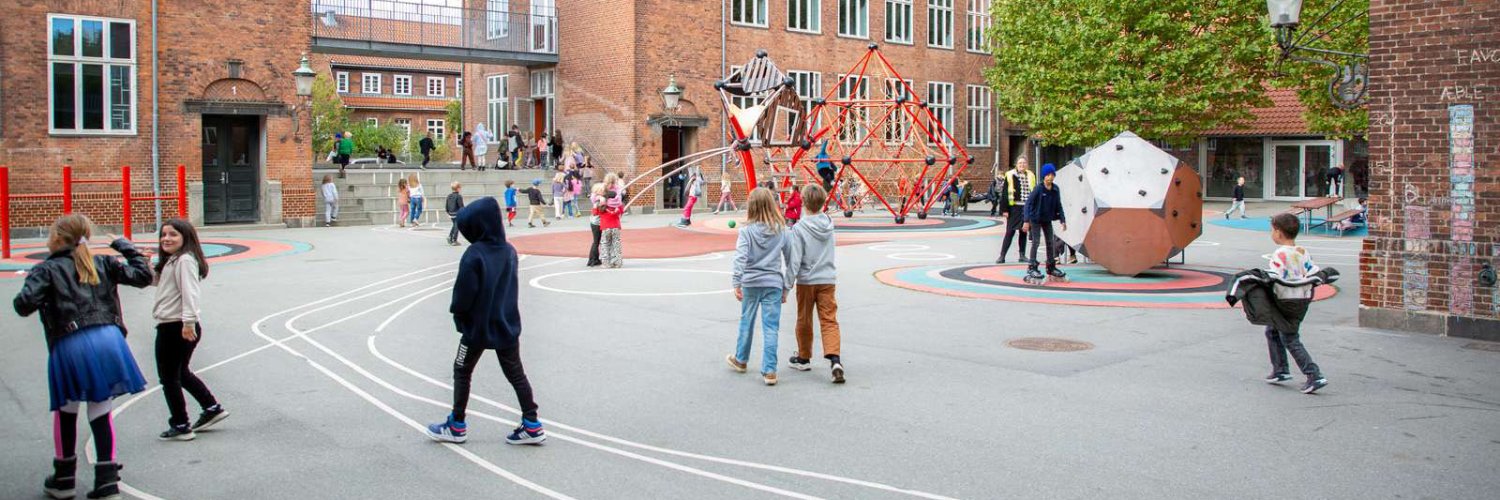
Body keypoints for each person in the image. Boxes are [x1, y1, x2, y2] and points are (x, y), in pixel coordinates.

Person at [12, 214, 152, 500]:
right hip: (109, 338)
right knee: (101, 407)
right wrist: (125, 246)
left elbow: (23, 305)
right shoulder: (103, 263)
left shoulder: (47, 269)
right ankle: (107, 479)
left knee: (67, 408)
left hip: (71, 340)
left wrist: (34, 286)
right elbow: (143, 276)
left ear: (56, 238)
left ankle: (64, 478)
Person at [426, 197, 546, 445]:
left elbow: (463, 295)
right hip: (506, 323)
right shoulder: (509, 251)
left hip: (477, 328)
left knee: (462, 370)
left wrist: (459, 317)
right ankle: (532, 421)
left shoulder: (474, 255)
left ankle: (457, 423)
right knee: (516, 374)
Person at [152, 219, 229, 441]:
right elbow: (156, 281)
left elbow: (190, 292)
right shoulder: (173, 260)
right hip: (175, 324)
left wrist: (188, 322)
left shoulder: (184, 260)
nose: (166, 238)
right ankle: (212, 407)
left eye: (173, 234)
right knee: (180, 372)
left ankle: (180, 423)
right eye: (163, 234)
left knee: (169, 377)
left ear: (186, 238)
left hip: (176, 325)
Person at [726, 187, 793, 386]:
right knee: (771, 327)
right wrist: (787, 286)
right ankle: (770, 370)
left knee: (746, 322)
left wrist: (736, 281)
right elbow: (791, 259)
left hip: (751, 282)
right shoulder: (782, 230)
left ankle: (741, 359)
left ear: (751, 206)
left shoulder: (746, 231)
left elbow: (740, 257)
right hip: (773, 282)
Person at [1262, 213, 1329, 394]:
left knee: (1289, 337)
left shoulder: (1279, 255)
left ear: (1278, 232)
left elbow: (1275, 277)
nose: (1271, 234)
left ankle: (1314, 374)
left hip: (1284, 301)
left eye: (1272, 230)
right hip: (1302, 298)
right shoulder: (1302, 252)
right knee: (1272, 330)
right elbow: (1313, 271)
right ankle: (1280, 369)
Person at [785, 184, 845, 384]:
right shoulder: (829, 223)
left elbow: (794, 260)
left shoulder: (799, 228)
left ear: (803, 202)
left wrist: (787, 285)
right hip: (827, 278)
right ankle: (835, 359)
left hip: (807, 280)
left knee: (804, 319)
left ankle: (803, 357)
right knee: (829, 319)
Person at [1023, 163, 1067, 283]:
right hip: (1035, 218)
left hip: (1047, 218)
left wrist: (1063, 219)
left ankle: (1051, 266)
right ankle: (1032, 266)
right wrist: (1026, 221)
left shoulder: (1055, 189)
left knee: (1050, 243)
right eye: (1048, 175)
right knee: (1036, 242)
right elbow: (1028, 204)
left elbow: (1058, 205)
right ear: (1044, 176)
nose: (1050, 177)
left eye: (1052, 175)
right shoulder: (1039, 189)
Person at [996, 158, 1036, 264]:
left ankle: (1022, 255)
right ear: (1016, 164)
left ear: (1026, 164)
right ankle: (1002, 255)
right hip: (1014, 207)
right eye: (1020, 163)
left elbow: (1034, 191)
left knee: (1024, 231)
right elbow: (1005, 193)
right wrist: (1004, 209)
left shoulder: (1031, 175)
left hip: (1026, 207)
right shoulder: (1010, 175)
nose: (1022, 165)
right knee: (1010, 232)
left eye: (1024, 163)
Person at [596, 189, 625, 268]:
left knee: (605, 244)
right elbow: (622, 212)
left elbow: (595, 212)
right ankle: (617, 262)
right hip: (615, 226)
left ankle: (606, 262)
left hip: (605, 227)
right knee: (616, 244)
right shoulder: (618, 205)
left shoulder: (603, 205)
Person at [586, 183, 606, 267]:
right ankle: (593, 259)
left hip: (594, 222)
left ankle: (594, 258)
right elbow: (596, 212)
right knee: (596, 242)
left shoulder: (596, 198)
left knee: (596, 241)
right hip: (597, 222)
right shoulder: (599, 200)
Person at [446, 182, 466, 246]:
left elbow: (446, 205)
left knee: (454, 225)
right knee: (457, 226)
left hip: (451, 213)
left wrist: (448, 212)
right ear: (458, 188)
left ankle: (450, 237)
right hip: (457, 213)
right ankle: (454, 240)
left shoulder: (449, 196)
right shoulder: (459, 196)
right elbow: (461, 206)